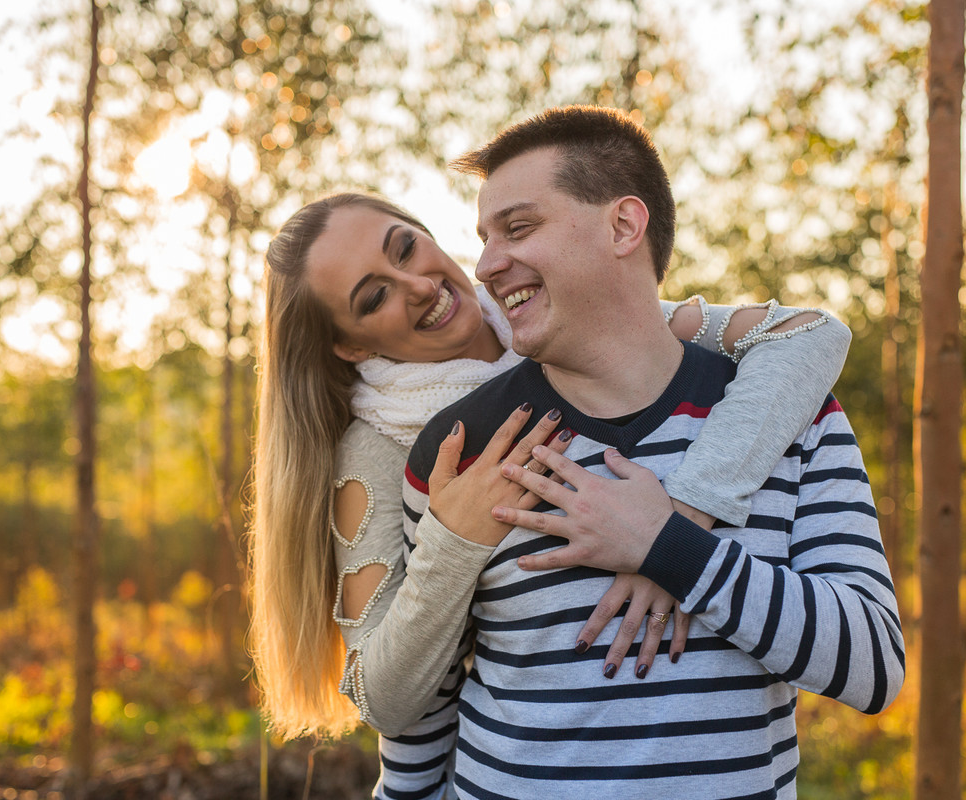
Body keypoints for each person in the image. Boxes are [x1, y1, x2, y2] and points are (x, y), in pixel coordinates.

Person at [249, 188, 852, 798]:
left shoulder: (560, 325)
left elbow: (808, 335)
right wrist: (453, 543)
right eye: (375, 296)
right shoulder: (380, 448)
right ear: (351, 345)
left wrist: (681, 522)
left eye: (406, 248)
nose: (418, 286)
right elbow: (385, 700)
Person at [401, 106, 904, 798]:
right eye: (485, 237)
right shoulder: (462, 445)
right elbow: (422, 708)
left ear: (624, 225)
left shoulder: (793, 411)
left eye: (519, 228)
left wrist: (669, 548)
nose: (485, 265)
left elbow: (874, 666)